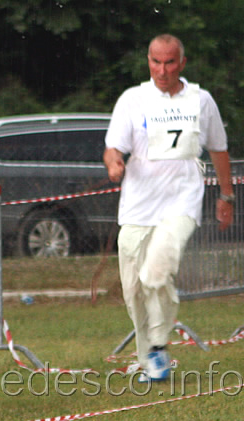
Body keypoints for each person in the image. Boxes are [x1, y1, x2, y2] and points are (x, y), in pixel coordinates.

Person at [103, 34, 234, 382]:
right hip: (136, 206)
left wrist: (226, 196)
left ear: (182, 63)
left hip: (181, 201)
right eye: (156, 62)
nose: (162, 70)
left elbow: (219, 150)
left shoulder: (201, 101)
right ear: (148, 61)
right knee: (133, 288)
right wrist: (114, 162)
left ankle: (159, 348)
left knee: (156, 271)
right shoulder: (132, 99)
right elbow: (113, 147)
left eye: (170, 62)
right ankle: (149, 359)